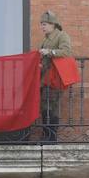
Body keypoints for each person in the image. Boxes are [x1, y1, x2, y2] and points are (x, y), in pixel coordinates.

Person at [36, 10, 73, 142]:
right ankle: (47, 135)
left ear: (53, 24)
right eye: (41, 24)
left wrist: (49, 51)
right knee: (45, 107)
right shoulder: (45, 39)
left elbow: (66, 51)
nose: (42, 27)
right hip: (45, 78)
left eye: (44, 24)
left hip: (56, 77)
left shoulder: (62, 36)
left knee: (51, 106)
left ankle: (51, 137)